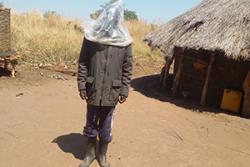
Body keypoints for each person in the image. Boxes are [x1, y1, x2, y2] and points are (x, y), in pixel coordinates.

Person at [77, 0, 133, 167]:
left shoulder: (125, 40)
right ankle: (90, 154)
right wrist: (81, 84)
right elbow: (83, 62)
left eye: (115, 15)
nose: (111, 18)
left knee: (106, 125)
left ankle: (102, 155)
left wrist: (124, 90)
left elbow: (127, 67)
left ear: (119, 18)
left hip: (112, 91)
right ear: (104, 15)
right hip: (93, 88)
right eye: (109, 14)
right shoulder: (92, 37)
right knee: (91, 122)